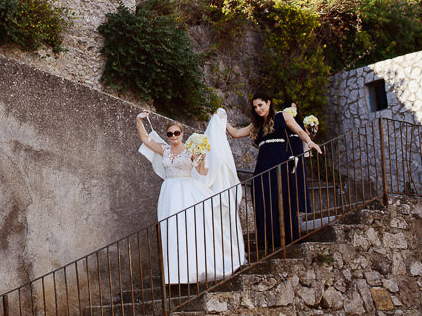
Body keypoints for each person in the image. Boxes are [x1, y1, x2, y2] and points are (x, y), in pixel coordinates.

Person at [136, 108, 245, 284]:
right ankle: (177, 276)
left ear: (182, 133)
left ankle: (194, 271)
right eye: (170, 134)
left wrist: (202, 159)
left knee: (188, 229)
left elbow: (202, 171)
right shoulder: (165, 149)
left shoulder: (191, 149)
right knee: (171, 229)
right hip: (168, 192)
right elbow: (145, 139)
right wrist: (139, 120)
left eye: (176, 133)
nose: (173, 136)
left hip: (186, 191)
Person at [226, 92, 321, 252]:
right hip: (263, 165)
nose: (258, 109)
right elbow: (235, 133)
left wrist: (310, 142)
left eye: (260, 105)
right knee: (263, 198)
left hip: (280, 162)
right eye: (255, 107)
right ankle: (268, 239)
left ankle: (287, 237)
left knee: (281, 198)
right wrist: (220, 119)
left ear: (268, 103)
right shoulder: (255, 125)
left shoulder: (282, 116)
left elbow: (299, 131)